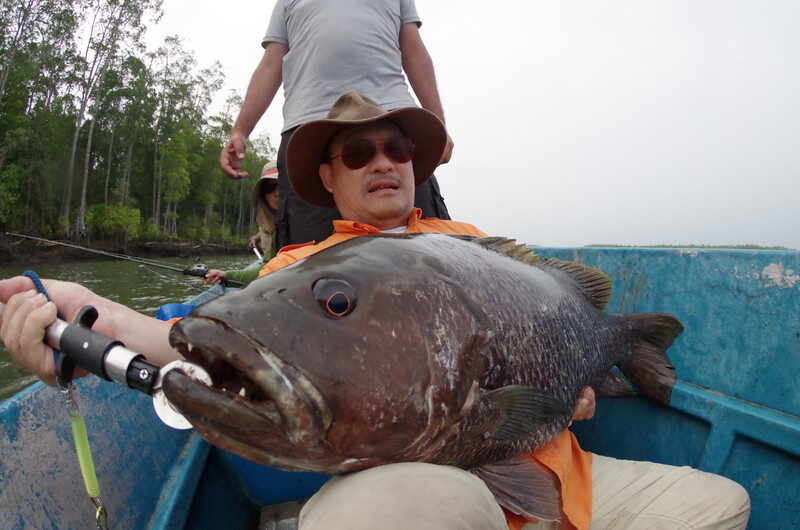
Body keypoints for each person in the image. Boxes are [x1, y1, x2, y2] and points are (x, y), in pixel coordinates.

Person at [0, 92, 750, 530]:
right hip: (442, 488)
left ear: (415, 165)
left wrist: (582, 383)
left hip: (567, 480)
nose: (382, 161)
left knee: (722, 505)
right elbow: (188, 342)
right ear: (327, 176)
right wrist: (86, 312)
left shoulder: (471, 247)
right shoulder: (297, 271)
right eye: (356, 153)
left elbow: (549, 370)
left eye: (395, 146)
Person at [219, 0, 452, 250]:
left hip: (391, 121)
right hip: (309, 132)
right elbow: (270, 64)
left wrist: (437, 124)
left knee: (429, 248)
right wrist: (240, 130)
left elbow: (414, 50)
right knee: (309, 260)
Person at [203, 161, 279, 286]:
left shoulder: (314, 217)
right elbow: (267, 267)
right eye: (269, 188)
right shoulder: (278, 230)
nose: (277, 193)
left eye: (282, 185)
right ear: (263, 196)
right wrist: (226, 276)